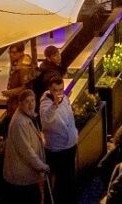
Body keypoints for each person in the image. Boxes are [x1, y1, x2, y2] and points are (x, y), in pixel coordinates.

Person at [3, 89, 49, 204]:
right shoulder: (19, 123)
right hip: (22, 176)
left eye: (33, 101)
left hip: (28, 174)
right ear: (20, 103)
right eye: (27, 102)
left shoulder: (29, 116)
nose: (31, 104)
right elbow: (26, 151)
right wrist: (42, 166)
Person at [40, 76, 78, 204]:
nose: (59, 92)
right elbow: (45, 121)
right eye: (56, 90)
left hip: (70, 145)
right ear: (50, 89)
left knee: (70, 179)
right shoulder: (45, 103)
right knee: (60, 183)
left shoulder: (65, 98)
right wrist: (55, 105)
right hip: (57, 149)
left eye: (61, 89)